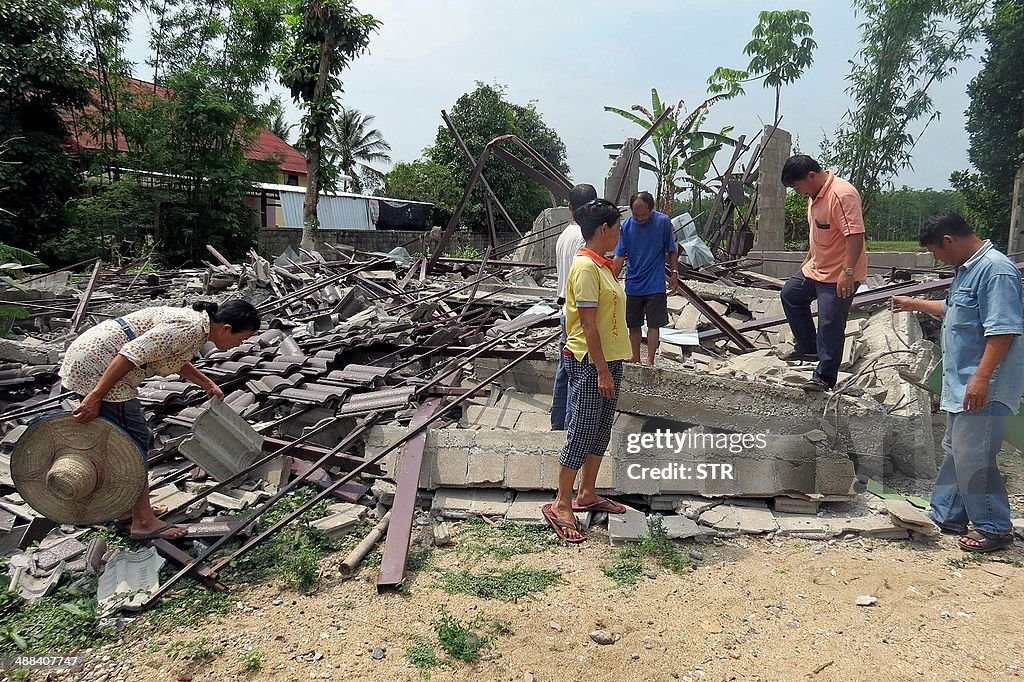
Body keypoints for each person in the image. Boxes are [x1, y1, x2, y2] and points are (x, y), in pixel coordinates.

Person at [59, 300, 261, 540]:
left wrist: (207, 383)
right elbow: (130, 354)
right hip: (99, 366)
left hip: (96, 360)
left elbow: (171, 358)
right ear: (226, 328)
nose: (240, 344)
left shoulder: (197, 328)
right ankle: (143, 522)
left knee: (123, 442)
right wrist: (95, 397)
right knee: (134, 443)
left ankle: (128, 510)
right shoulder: (190, 328)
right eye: (242, 339)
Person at [892, 211, 1023, 553]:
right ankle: (948, 513)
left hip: (981, 384)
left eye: (936, 251)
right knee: (957, 451)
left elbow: (1003, 330)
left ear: (948, 240)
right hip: (961, 382)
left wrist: (981, 380)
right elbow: (953, 309)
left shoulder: (996, 271)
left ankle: (993, 527)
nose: (937, 258)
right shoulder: (967, 271)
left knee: (974, 456)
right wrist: (912, 303)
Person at [542, 198, 632, 542]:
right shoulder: (584, 268)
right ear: (603, 229)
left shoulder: (602, 265)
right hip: (589, 362)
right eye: (617, 228)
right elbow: (589, 325)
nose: (620, 234)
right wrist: (601, 371)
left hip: (609, 360)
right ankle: (561, 502)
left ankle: (587, 493)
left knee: (600, 430)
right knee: (581, 430)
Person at [779, 155, 867, 391]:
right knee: (791, 294)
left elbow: (855, 235)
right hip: (816, 266)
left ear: (811, 176)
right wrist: (807, 260)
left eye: (797, 187)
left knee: (830, 323)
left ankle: (825, 377)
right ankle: (808, 348)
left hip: (840, 272)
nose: (798, 192)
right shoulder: (814, 194)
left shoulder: (841, 194)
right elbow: (819, 233)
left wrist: (847, 272)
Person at [551, 183, 597, 431]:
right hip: (579, 312)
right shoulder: (583, 237)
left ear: (570, 208)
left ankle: (557, 424)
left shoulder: (564, 235)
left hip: (564, 311)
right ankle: (569, 429)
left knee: (563, 371)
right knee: (577, 375)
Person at [612, 191, 678, 365]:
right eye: (636, 215)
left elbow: (672, 249)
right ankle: (635, 355)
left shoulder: (662, 222)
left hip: (655, 283)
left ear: (651, 209)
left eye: (643, 214)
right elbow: (619, 256)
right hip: (633, 283)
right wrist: (611, 280)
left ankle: (650, 358)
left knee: (654, 324)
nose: (640, 218)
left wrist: (674, 273)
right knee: (633, 323)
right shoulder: (626, 226)